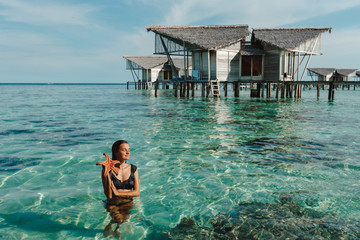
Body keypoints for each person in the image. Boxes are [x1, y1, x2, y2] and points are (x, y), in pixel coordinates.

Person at [101, 140, 140, 237]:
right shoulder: (107, 169)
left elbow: (137, 192)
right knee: (118, 219)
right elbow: (109, 195)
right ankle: (111, 231)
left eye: (129, 150)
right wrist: (107, 175)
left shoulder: (133, 169)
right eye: (124, 150)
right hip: (113, 203)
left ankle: (112, 231)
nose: (128, 152)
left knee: (123, 220)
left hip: (128, 202)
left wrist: (118, 193)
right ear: (115, 152)